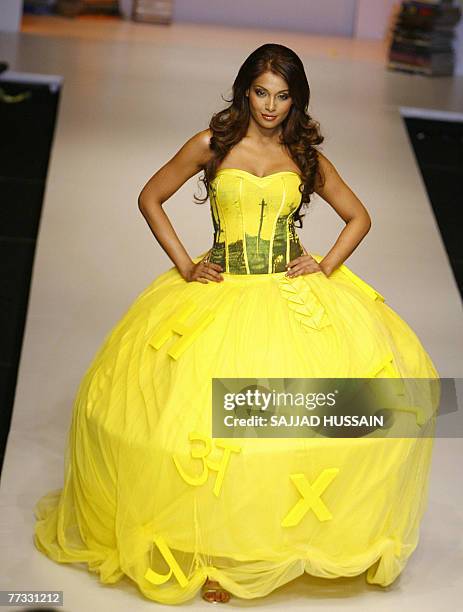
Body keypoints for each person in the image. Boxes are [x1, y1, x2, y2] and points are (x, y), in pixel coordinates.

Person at [34, 43, 440, 605]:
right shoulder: (211, 145)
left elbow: (359, 215)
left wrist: (323, 265)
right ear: (244, 90)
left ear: (295, 100)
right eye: (260, 93)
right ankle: (211, 552)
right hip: (220, 294)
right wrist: (183, 263)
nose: (270, 106)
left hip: (286, 294)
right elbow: (151, 196)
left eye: (281, 96)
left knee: (276, 431)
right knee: (202, 432)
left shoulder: (304, 156)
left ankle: (256, 549)